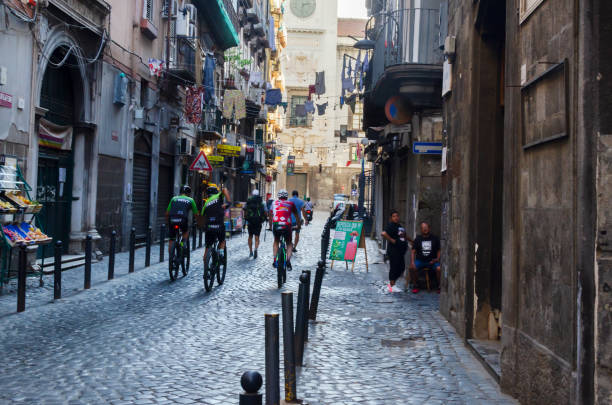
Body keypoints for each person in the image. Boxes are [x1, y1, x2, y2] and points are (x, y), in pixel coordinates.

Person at [381, 210, 412, 293]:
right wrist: (392, 240)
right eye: (394, 216)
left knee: (401, 268)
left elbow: (404, 236)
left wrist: (412, 241)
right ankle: (391, 285)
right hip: (394, 250)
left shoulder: (399, 226)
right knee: (394, 268)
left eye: (397, 216)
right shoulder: (390, 226)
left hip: (400, 251)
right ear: (391, 218)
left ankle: (392, 283)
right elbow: (383, 233)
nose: (396, 218)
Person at [269, 189, 300, 271]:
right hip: (287, 225)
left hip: (276, 225)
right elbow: (296, 216)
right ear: (287, 197)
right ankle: (288, 261)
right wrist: (298, 225)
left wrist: (270, 226)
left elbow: (271, 215)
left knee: (276, 241)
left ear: (278, 196)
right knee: (289, 243)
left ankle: (275, 260)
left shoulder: (274, 203)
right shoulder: (290, 203)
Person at [201, 183, 231, 264]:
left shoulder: (206, 204)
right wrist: (228, 202)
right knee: (222, 240)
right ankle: (221, 253)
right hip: (219, 225)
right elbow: (224, 189)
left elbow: (202, 217)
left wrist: (202, 226)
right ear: (216, 192)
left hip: (209, 226)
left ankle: (205, 269)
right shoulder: (218, 196)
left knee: (207, 247)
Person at [165, 185, 199, 259]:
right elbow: (196, 214)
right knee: (185, 231)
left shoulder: (173, 198)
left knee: (172, 239)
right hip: (183, 220)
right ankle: (183, 244)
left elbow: (167, 213)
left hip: (172, 220)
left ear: (180, 192)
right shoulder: (190, 200)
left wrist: (167, 222)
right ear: (189, 193)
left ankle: (171, 257)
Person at [409, 221, 441, 294]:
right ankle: (415, 285)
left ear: (429, 228)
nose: (425, 229)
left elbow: (439, 250)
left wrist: (437, 259)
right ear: (421, 229)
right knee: (411, 268)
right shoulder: (418, 239)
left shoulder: (435, 238)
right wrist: (412, 262)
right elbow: (413, 251)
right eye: (423, 228)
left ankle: (439, 286)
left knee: (439, 269)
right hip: (420, 261)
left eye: (426, 228)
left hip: (432, 261)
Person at [244, 189, 267, 258]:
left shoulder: (249, 201)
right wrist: (264, 218)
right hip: (258, 221)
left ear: (252, 194)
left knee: (250, 236)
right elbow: (265, 211)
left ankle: (250, 251)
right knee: (257, 237)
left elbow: (244, 209)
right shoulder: (262, 202)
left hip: (250, 221)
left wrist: (246, 217)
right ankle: (256, 249)